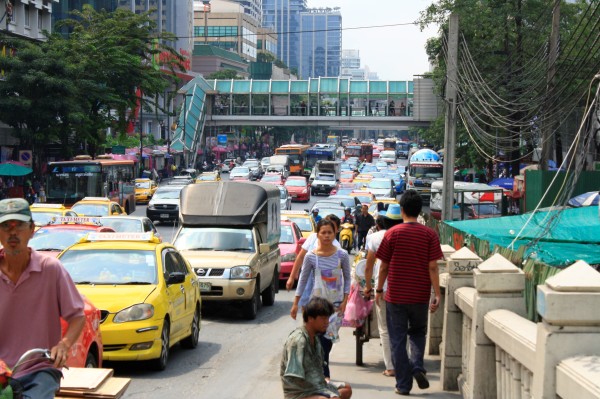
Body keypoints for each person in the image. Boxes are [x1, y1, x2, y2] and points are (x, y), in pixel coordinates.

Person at [0, 198, 85, 399]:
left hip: (38, 368)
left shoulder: (51, 269)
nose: (13, 232)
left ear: (31, 230)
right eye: (5, 226)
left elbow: (77, 316)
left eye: (19, 225)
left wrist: (63, 345)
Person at [375, 190, 443, 396]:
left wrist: (378, 289)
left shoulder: (392, 234)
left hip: (395, 296)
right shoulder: (429, 234)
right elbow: (433, 267)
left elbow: (384, 266)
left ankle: (403, 385)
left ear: (402, 210)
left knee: (397, 338)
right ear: (419, 210)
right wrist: (437, 293)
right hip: (420, 295)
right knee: (417, 333)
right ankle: (417, 365)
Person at [291, 219, 350, 380]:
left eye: (329, 232)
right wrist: (296, 303)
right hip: (317, 306)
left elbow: (347, 279)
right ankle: (324, 374)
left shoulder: (342, 255)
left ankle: (318, 370)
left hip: (336, 306)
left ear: (335, 233)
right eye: (323, 232)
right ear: (317, 235)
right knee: (318, 339)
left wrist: (345, 300)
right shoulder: (311, 257)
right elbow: (302, 280)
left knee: (328, 339)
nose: (326, 236)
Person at [281, 297, 353, 399]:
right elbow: (293, 379)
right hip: (299, 392)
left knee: (346, 390)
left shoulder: (316, 338)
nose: (327, 322)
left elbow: (317, 369)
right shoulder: (298, 341)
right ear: (310, 318)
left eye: (328, 318)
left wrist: (324, 381)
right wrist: (321, 389)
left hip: (316, 386)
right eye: (323, 318)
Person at [363, 204, 403, 378]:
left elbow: (369, 265)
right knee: (402, 328)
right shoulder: (407, 234)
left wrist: (368, 286)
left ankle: (391, 367)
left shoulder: (376, 237)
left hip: (384, 288)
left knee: (385, 328)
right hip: (404, 289)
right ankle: (402, 364)